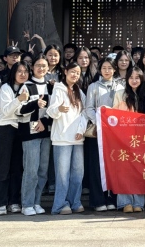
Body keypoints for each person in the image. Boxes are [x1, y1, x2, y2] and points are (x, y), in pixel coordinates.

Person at [47, 62, 88, 215]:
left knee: (78, 173)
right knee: (62, 175)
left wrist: (81, 130)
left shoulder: (79, 91)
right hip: (62, 138)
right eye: (72, 72)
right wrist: (59, 109)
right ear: (65, 72)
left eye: (77, 72)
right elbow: (51, 111)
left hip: (77, 138)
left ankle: (74, 202)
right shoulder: (58, 88)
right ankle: (60, 204)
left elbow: (84, 113)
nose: (75, 75)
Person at [83, 57, 123, 211]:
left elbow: (122, 108)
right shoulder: (93, 86)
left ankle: (112, 199)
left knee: (113, 167)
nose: (107, 71)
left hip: (114, 133)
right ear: (100, 70)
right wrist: (100, 122)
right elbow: (88, 108)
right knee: (96, 167)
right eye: (104, 68)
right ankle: (98, 201)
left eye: (110, 68)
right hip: (97, 132)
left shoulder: (120, 87)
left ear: (115, 69)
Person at [18, 54, 52, 216]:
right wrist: (35, 104)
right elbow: (19, 110)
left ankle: (37, 202)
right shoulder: (26, 86)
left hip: (46, 130)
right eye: (38, 65)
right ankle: (27, 203)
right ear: (32, 67)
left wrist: (44, 121)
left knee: (42, 170)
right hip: (29, 132)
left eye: (44, 66)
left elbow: (54, 109)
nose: (41, 68)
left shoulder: (51, 86)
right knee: (31, 169)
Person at [0, 62, 29, 216]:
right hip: (4, 128)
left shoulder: (27, 87)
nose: (22, 74)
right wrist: (19, 99)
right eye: (19, 71)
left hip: (20, 128)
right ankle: (0, 202)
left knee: (17, 167)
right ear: (13, 72)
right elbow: (6, 111)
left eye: (25, 71)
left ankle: (14, 201)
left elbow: (26, 111)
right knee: (3, 167)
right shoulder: (5, 88)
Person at [111, 67, 145, 213]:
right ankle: (125, 202)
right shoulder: (120, 94)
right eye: (131, 77)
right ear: (127, 79)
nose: (134, 80)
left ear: (141, 79)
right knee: (124, 170)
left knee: (139, 170)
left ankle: (138, 202)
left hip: (142, 139)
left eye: (137, 77)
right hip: (123, 138)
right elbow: (113, 116)